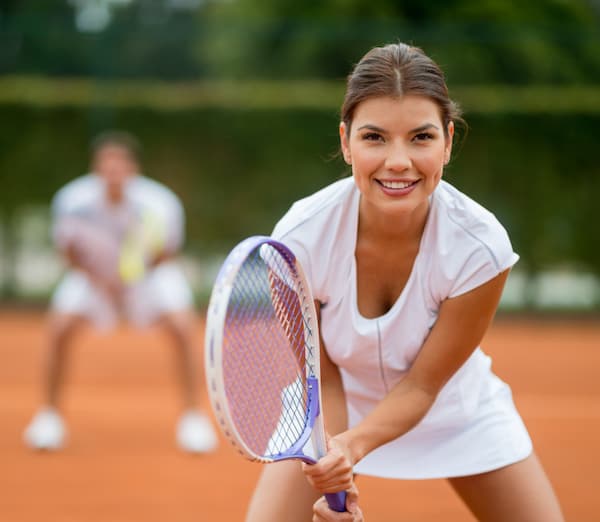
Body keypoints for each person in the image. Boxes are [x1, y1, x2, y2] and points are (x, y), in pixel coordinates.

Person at [245, 43, 564, 521]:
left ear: (448, 142)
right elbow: (322, 378)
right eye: (374, 137)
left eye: (421, 137)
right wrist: (334, 460)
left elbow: (422, 387)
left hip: (451, 411)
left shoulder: (481, 246)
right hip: (330, 408)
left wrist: (354, 447)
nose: (398, 161)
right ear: (346, 140)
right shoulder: (297, 239)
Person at [23, 130, 218, 454]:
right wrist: (104, 282)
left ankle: (193, 419)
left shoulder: (159, 202)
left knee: (183, 329)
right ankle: (49, 418)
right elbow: (68, 252)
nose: (113, 172)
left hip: (149, 278)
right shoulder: (72, 201)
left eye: (120, 165)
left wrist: (134, 278)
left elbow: (166, 251)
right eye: (106, 165)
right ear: (95, 168)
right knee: (59, 328)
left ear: (133, 169)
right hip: (92, 279)